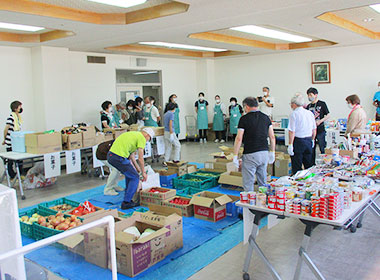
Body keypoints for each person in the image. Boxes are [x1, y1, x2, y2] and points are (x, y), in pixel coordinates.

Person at [233, 97, 276, 191]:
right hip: (264, 153)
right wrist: (272, 152)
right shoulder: (266, 118)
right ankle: (263, 201)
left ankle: (249, 204)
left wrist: (235, 155)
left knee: (248, 182)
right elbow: (272, 137)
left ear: (246, 106)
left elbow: (239, 138)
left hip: (250, 154)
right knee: (263, 181)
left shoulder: (244, 119)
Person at [107, 128, 155, 209]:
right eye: (149, 139)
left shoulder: (133, 134)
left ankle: (128, 196)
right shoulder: (141, 138)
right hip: (119, 157)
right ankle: (127, 202)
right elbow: (140, 158)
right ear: (147, 135)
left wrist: (138, 169)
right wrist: (143, 172)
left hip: (111, 156)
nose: (147, 141)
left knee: (130, 174)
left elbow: (131, 156)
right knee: (135, 177)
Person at [287, 93, 317, 175]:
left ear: (294, 104)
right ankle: (310, 181)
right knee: (309, 164)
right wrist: (313, 140)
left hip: (298, 141)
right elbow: (314, 129)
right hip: (308, 140)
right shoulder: (310, 113)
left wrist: (290, 144)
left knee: (297, 165)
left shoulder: (294, 114)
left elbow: (291, 131)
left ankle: (298, 183)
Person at [306, 87, 330, 165]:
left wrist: (320, 121)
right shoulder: (308, 106)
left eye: (310, 95)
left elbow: (328, 115)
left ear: (315, 95)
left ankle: (325, 163)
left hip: (320, 129)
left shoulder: (322, 104)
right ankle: (311, 164)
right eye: (308, 95)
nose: (309, 96)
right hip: (311, 131)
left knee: (322, 147)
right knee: (311, 149)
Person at [2, 101, 23, 179]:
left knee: (20, 160)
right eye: (19, 107)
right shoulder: (11, 117)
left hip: (17, 142)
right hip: (10, 142)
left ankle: (19, 175)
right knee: (10, 161)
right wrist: (4, 139)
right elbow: (5, 130)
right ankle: (12, 176)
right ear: (15, 108)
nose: (21, 108)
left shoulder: (18, 118)